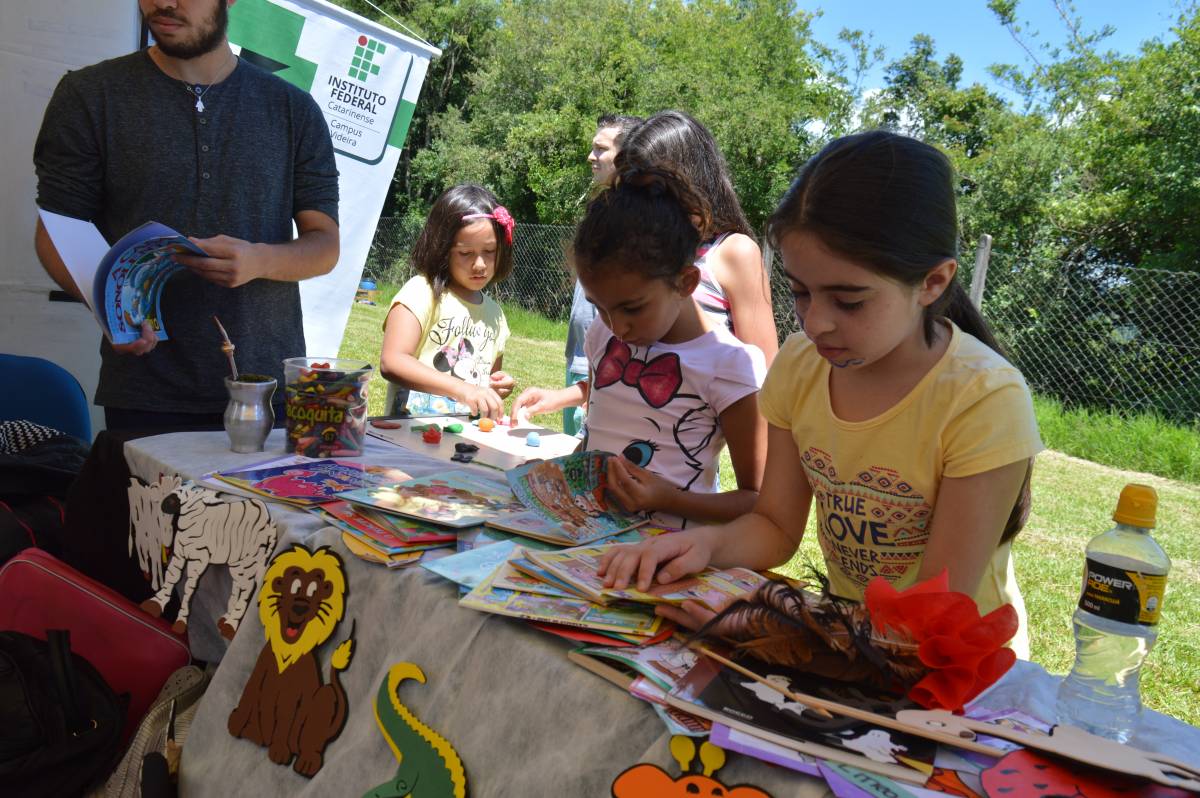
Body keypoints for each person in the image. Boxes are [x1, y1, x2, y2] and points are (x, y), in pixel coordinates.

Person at [599, 132, 1042, 657]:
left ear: (932, 282)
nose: (815, 323)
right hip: (844, 639)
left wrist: (776, 622)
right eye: (800, 291)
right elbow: (774, 526)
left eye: (849, 301)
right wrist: (700, 544)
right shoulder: (801, 366)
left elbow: (931, 615)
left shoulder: (983, 399)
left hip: (958, 667)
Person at [32, 0, 340, 432]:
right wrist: (112, 309)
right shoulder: (89, 95)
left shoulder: (293, 109)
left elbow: (325, 244)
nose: (165, 3)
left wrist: (259, 260)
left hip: (264, 392)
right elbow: (57, 230)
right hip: (146, 392)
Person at [513, 167, 768, 529]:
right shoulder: (602, 335)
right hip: (588, 542)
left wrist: (670, 499)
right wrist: (559, 477)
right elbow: (595, 440)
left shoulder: (731, 364)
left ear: (686, 282)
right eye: (600, 307)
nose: (618, 327)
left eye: (632, 308)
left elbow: (759, 501)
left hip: (671, 551)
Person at [616, 110, 778, 365]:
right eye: (634, 190)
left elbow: (763, 367)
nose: (643, 204)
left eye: (654, 190)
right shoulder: (637, 248)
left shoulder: (733, 252)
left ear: (693, 179)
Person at [379, 184, 515, 421]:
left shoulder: (495, 315)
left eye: (490, 251)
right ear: (442, 248)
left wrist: (495, 387)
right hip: (411, 434)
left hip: (468, 437)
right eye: (466, 253)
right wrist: (462, 389)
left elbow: (483, 384)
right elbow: (392, 361)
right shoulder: (421, 292)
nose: (480, 264)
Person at [563, 113, 644, 436]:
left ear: (627, 156)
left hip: (608, 367)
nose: (590, 157)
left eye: (600, 149)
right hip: (581, 362)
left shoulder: (639, 221)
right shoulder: (602, 211)